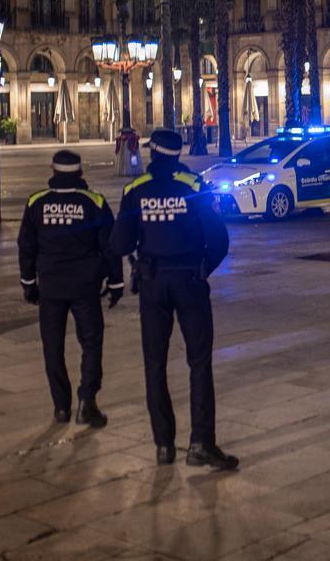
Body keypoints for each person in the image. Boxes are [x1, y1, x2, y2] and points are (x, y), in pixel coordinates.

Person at [111, 129, 238, 471]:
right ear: (178, 154)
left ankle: (163, 444)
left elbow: (119, 243)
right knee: (199, 362)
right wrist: (201, 270)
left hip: (152, 285)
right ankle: (201, 443)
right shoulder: (194, 186)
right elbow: (219, 240)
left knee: (155, 364)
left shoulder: (134, 191)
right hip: (189, 280)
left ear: (152, 154)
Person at [18, 150, 123, 428]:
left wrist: (28, 283)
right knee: (91, 343)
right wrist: (115, 282)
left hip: (50, 286)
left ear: (53, 172)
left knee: (52, 347)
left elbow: (26, 246)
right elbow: (110, 247)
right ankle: (87, 401)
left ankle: (61, 406)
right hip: (85, 287)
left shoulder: (36, 202)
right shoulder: (95, 203)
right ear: (80, 174)